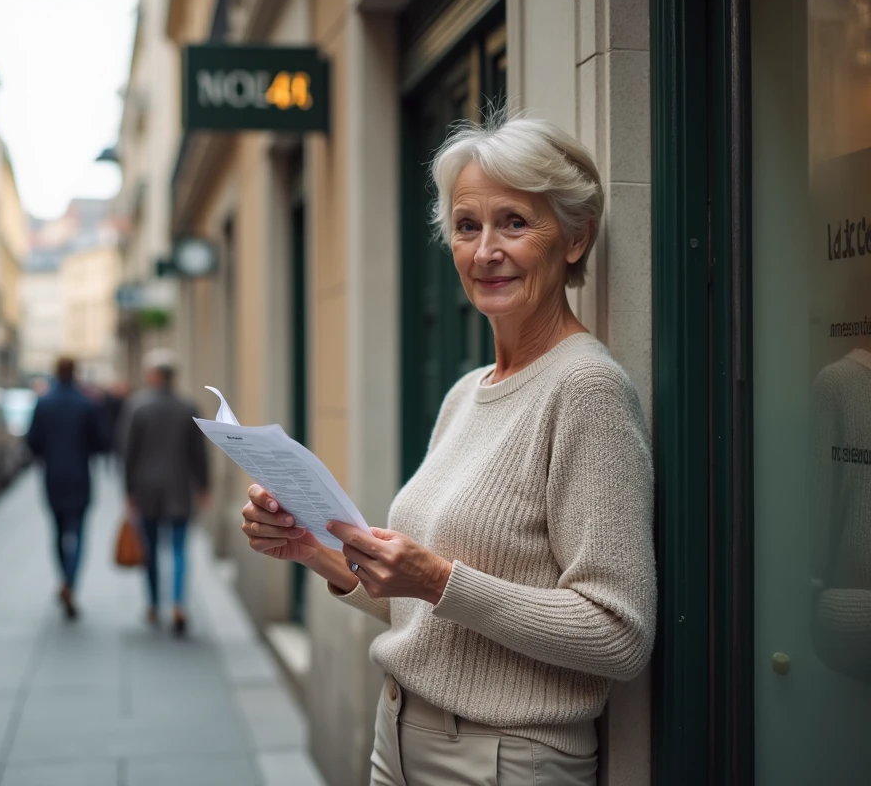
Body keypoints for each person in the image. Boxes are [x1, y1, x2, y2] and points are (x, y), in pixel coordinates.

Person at [241, 115, 656, 785]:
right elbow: (429, 611)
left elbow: (618, 633)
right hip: (398, 737)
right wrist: (313, 552)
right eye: (467, 226)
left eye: (515, 223)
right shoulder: (466, 393)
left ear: (575, 239)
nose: (485, 250)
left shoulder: (587, 389)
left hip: (503, 760)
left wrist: (438, 578)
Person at [123, 349, 210, 636]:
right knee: (179, 549)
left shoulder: (138, 407)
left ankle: (152, 604)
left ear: (153, 375)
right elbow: (200, 454)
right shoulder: (189, 408)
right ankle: (178, 606)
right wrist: (204, 487)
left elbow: (129, 453)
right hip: (178, 490)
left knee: (150, 550)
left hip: (146, 489)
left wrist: (129, 491)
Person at [26, 357, 109, 619]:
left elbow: (32, 441)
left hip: (53, 477)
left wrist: (47, 455)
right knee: (79, 533)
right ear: (76, 373)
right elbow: (101, 442)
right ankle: (70, 583)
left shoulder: (45, 403)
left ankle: (64, 577)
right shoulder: (86, 404)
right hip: (80, 477)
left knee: (58, 531)